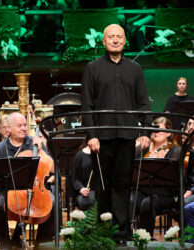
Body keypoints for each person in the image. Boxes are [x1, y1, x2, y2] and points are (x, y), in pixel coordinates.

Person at [81, 23, 151, 244]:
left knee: (122, 185)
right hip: (101, 138)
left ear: (124, 41)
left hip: (127, 136)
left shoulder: (135, 69)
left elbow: (143, 103)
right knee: (103, 186)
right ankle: (103, 233)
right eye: (110, 37)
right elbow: (86, 106)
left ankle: (121, 235)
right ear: (103, 41)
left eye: (119, 36)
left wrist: (145, 132)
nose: (115, 40)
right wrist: (91, 135)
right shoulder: (92, 68)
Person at [0, 112, 55, 249]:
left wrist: (40, 151)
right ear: (8, 129)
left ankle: (40, 244)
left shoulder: (34, 143)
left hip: (34, 189)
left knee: (53, 202)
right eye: (19, 126)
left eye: (24, 125)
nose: (23, 128)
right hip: (8, 190)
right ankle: (5, 243)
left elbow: (52, 168)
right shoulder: (0, 148)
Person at [130, 117, 180, 237]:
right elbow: (132, 170)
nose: (155, 132)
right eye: (153, 129)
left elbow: (177, 179)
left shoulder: (176, 151)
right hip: (142, 190)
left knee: (148, 203)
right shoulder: (141, 149)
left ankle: (145, 239)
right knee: (129, 200)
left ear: (168, 133)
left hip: (164, 194)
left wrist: (161, 163)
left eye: (159, 129)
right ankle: (126, 238)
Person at [71, 142, 95, 211]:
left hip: (99, 190)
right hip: (85, 191)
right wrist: (81, 189)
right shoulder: (79, 155)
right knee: (86, 201)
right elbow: (75, 178)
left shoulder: (102, 154)